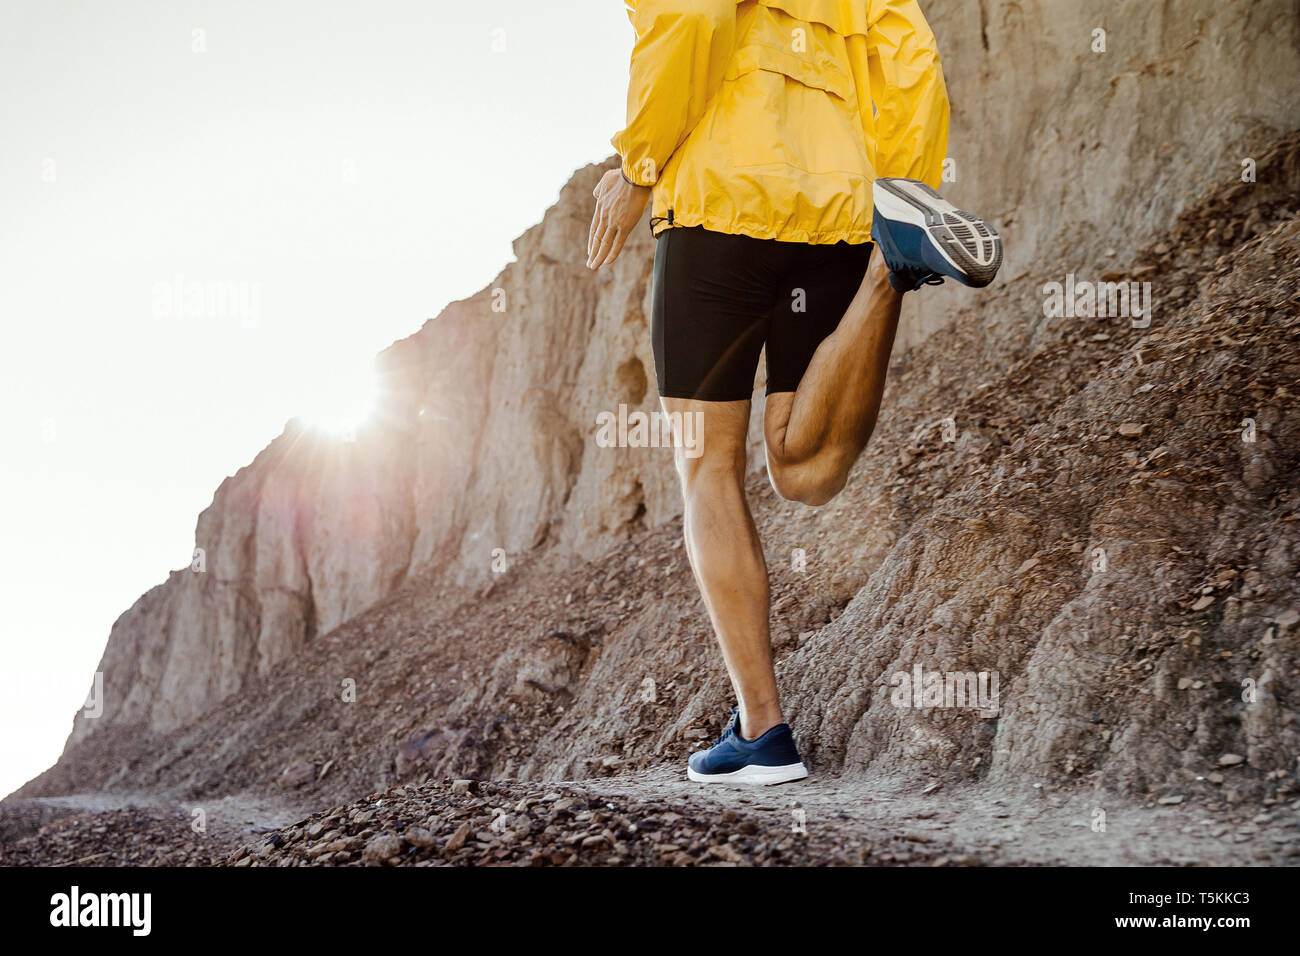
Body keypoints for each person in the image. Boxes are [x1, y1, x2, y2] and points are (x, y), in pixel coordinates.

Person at [586, 0, 1001, 785]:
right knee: (805, 471)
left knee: (706, 467)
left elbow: (693, 18)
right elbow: (912, 55)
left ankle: (762, 731)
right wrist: (902, 179)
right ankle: (893, 265)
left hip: (720, 200)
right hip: (839, 208)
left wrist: (639, 164)